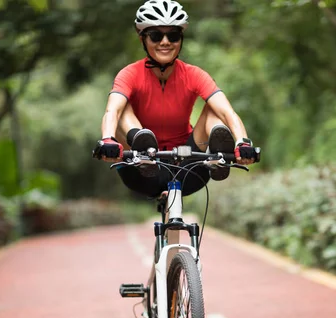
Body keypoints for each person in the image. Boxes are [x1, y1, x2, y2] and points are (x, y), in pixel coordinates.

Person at [92, 0, 256, 197]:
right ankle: (141, 141)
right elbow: (112, 111)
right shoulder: (129, 74)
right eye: (155, 35)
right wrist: (107, 140)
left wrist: (243, 143)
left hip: (189, 166)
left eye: (173, 35)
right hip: (139, 168)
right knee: (122, 106)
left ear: (181, 39)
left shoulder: (194, 74)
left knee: (214, 108)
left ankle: (217, 155)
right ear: (142, 38)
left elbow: (227, 112)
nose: (165, 42)